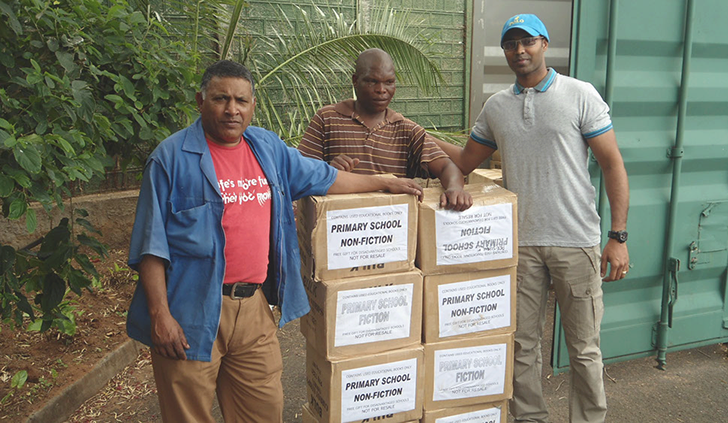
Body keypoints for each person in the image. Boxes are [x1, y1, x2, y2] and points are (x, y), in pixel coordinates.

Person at [125, 60, 424, 422]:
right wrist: (160, 315)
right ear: (200, 101)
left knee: (264, 410)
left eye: (241, 100)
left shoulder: (266, 147)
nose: (232, 109)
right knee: (189, 415)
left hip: (252, 308)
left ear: (253, 106)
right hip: (189, 310)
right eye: (221, 99)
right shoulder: (170, 159)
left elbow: (326, 178)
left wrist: (384, 181)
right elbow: (150, 246)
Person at [435, 14, 630, 423]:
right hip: (519, 245)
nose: (518, 51)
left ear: (544, 44)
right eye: (510, 44)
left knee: (584, 347)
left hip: (575, 240)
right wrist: (416, 133)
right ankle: (530, 418)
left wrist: (618, 236)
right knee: (522, 344)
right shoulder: (496, 107)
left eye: (527, 42)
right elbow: (468, 160)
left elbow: (612, 164)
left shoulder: (579, 95)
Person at [298, 48, 472, 211]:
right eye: (372, 81)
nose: (381, 90)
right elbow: (301, 172)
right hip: (339, 226)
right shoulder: (327, 118)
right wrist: (329, 171)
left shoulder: (406, 130)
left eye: (389, 82)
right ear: (355, 81)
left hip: (390, 228)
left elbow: (446, 167)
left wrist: (455, 188)